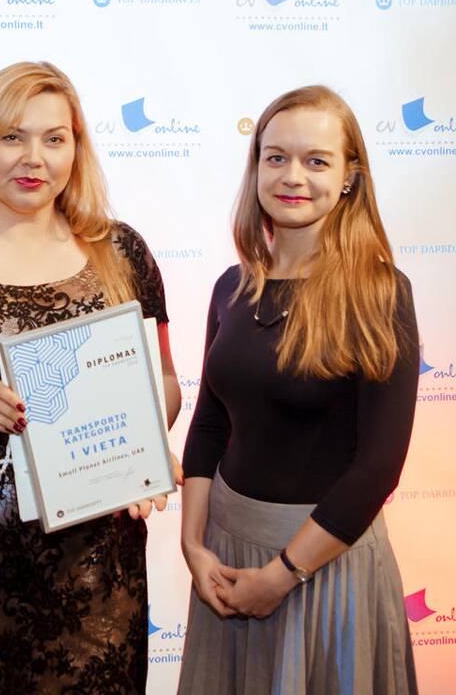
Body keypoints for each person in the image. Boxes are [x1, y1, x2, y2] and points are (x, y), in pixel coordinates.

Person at [0, 61, 182, 693]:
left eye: (54, 138)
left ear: (77, 147)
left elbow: (165, 382)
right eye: (12, 137)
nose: (34, 158)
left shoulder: (121, 250)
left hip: (99, 548)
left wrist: (144, 447)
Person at [177, 85, 419, 694]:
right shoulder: (231, 286)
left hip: (323, 566)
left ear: (349, 177)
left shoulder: (381, 294)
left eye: (316, 161)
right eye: (276, 157)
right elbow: (208, 426)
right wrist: (192, 546)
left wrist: (283, 575)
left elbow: (378, 468)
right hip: (225, 556)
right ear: (256, 166)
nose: (292, 176)